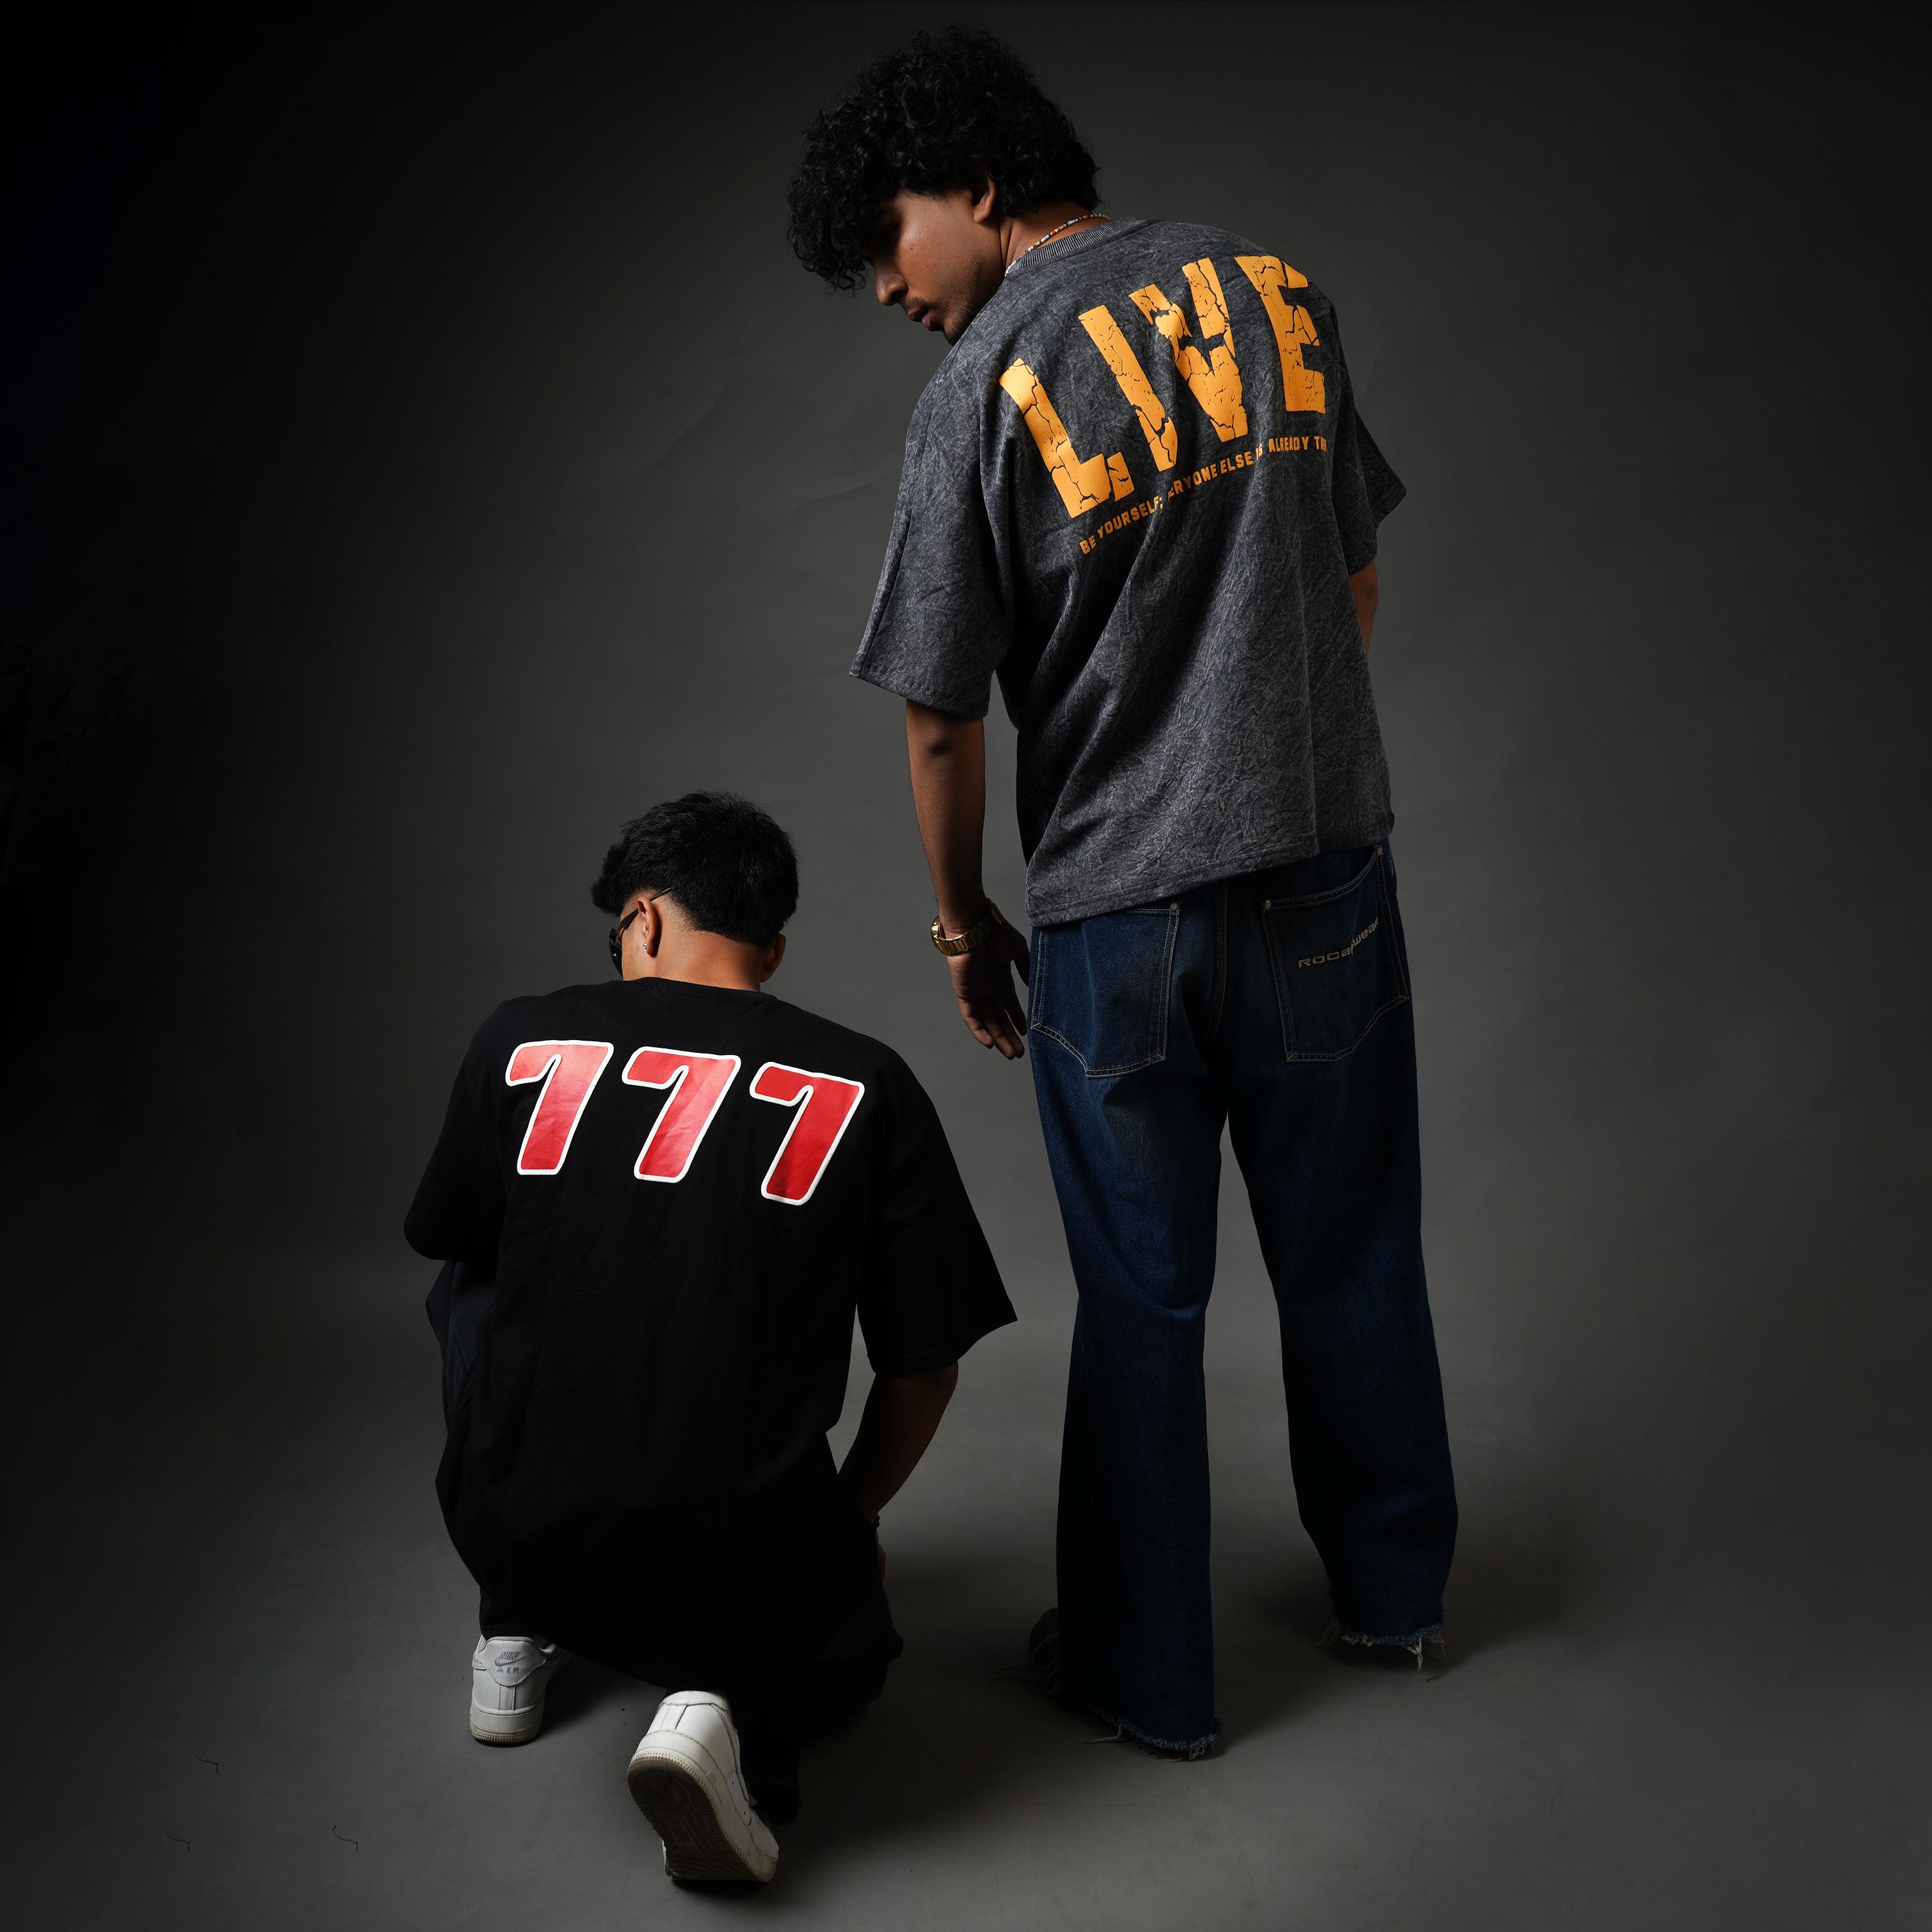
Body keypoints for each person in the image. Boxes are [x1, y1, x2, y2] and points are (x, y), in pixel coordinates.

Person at [788, 28, 1458, 1760]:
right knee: (1354, 1248)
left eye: (887, 237)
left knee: (1147, 1303)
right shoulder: (1275, 293)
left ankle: (1150, 1679)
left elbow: (942, 721)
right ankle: (1397, 1596)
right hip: (1323, 877)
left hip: (1118, 918)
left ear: (978, 182)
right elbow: (1352, 578)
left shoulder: (979, 391)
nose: (885, 285)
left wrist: (964, 924)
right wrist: (1281, 750)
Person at [405, 791, 1013, 1883]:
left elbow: (447, 1243)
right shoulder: (869, 1079)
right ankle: (723, 1708)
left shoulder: (519, 1035)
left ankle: (512, 1629)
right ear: (771, 950)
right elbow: (926, 1367)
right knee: (846, 1638)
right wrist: (850, 1521)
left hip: (522, 1513)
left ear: (641, 917)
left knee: (473, 1270)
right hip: (739, 1546)